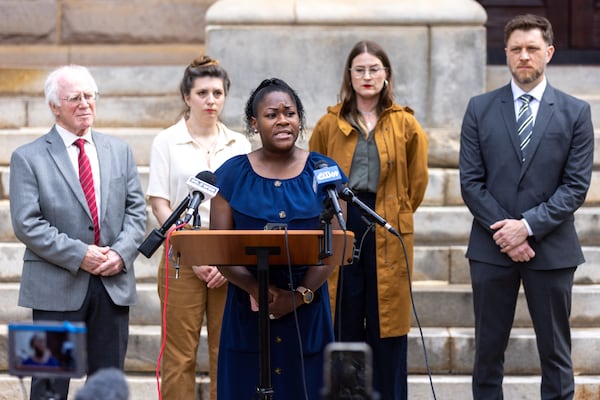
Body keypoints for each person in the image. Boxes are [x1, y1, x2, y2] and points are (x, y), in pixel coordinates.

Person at [459, 14, 594, 399]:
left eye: (532, 48)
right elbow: (470, 182)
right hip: (491, 247)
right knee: (487, 354)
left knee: (555, 354)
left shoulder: (575, 112)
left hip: (551, 249)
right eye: (515, 49)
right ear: (505, 54)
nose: (523, 56)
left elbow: (575, 187)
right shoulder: (479, 108)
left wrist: (528, 227)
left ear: (548, 53)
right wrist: (508, 231)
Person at [9, 64, 147, 399]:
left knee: (108, 385)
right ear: (54, 106)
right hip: (54, 288)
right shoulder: (27, 158)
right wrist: (80, 254)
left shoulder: (120, 150)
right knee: (48, 385)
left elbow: (137, 212)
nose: (85, 103)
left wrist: (120, 253)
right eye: (75, 98)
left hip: (111, 284)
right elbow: (27, 223)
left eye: (90, 96)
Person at [210, 78, 347, 399]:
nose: (283, 120)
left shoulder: (324, 171)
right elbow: (219, 249)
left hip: (309, 307)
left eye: (290, 113)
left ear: (300, 119)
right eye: (272, 114)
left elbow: (337, 245)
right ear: (254, 124)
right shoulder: (230, 174)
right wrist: (255, 289)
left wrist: (299, 295)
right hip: (249, 307)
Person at [309, 40, 429, 400]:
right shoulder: (329, 124)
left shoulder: (405, 123)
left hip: (386, 226)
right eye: (359, 69)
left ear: (386, 75)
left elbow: (417, 181)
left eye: (374, 69)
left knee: (387, 325)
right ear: (349, 75)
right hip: (342, 222)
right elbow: (313, 174)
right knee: (344, 315)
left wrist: (397, 212)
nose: (367, 76)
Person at [146, 55, 251, 399]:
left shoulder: (240, 144)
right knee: (179, 353)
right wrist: (189, 249)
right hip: (181, 254)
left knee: (227, 350)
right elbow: (159, 201)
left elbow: (243, 205)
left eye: (218, 93)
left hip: (227, 254)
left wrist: (227, 259)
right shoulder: (167, 141)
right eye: (203, 92)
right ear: (187, 97)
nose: (211, 100)